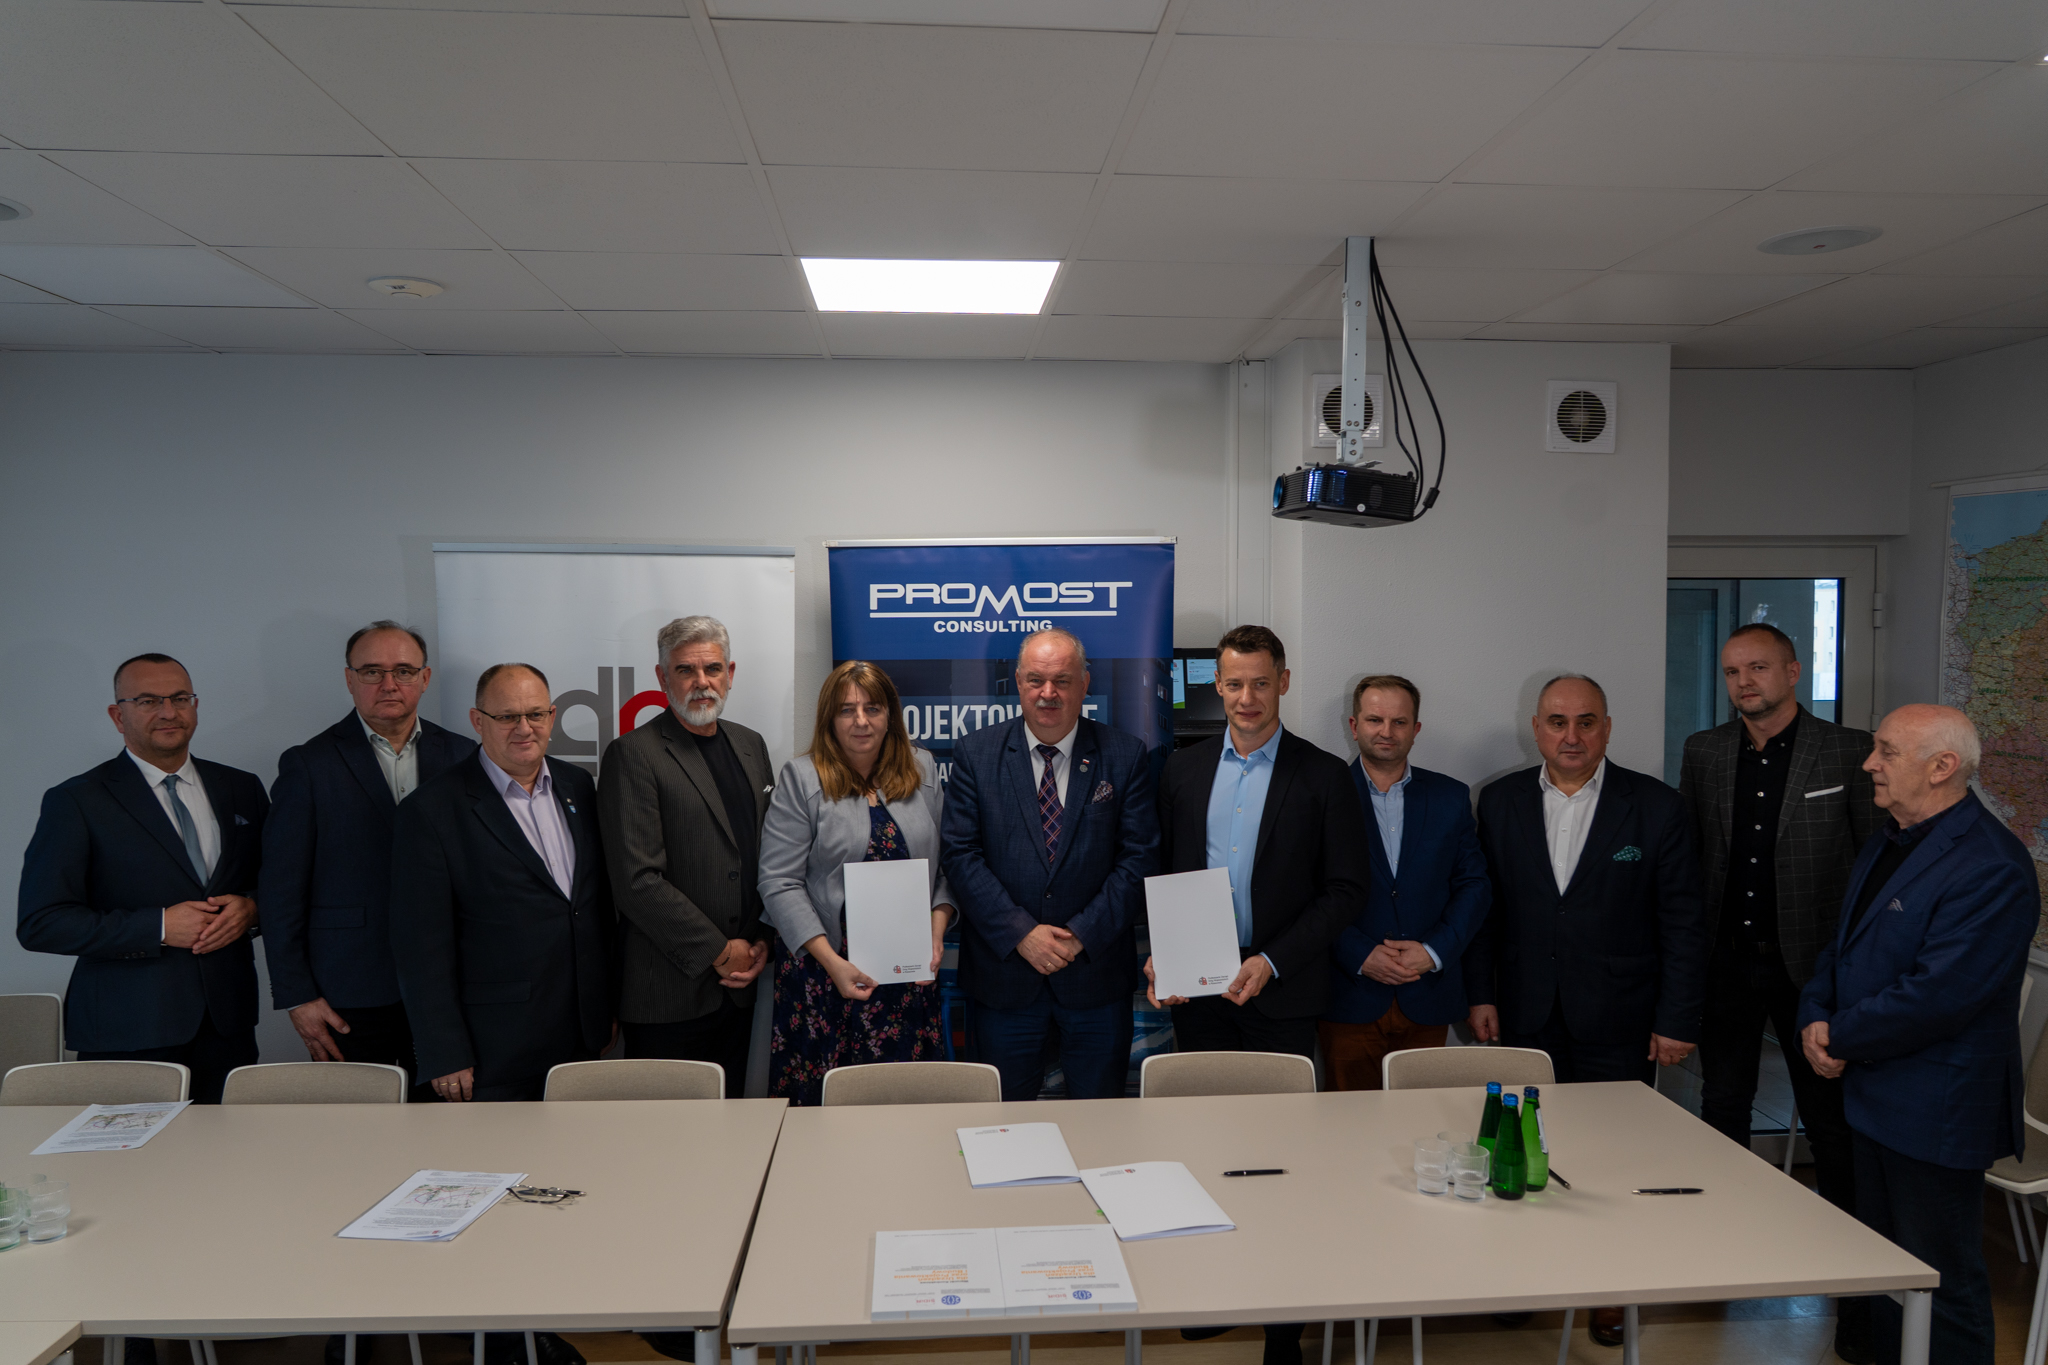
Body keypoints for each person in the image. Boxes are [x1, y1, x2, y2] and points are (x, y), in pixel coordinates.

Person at [1465, 673, 1709, 1349]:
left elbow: (1684, 923)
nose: (1571, 736)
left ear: (1607, 727)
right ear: (1535, 727)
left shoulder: (1656, 807)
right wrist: (1480, 993)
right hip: (1523, 1013)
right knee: (1519, 1152)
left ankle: (1610, 1291)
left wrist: (1678, 1018)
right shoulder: (1500, 800)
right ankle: (1522, 1279)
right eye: (1557, 721)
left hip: (1620, 1017)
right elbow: (1485, 910)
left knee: (1614, 1160)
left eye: (1586, 721)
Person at [1144, 625, 1365, 1365]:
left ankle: (1283, 1328)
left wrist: (1272, 959)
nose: (1246, 697)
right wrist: (1162, 953)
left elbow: (1345, 890)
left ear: (1284, 683)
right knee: (1204, 1151)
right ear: (1217, 685)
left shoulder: (1324, 775)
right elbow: (1167, 872)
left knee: (1278, 1164)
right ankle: (1215, 1292)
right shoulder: (1182, 769)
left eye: (1260, 683)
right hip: (1200, 993)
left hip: (1282, 992)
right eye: (1233, 683)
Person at [1799, 705, 2038, 1365]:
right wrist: (1814, 1011)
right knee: (1882, 1267)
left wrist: (1836, 1034)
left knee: (1938, 1279)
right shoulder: (1891, 837)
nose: (1869, 763)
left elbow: (1937, 998)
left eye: (1887, 751)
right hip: (1872, 1095)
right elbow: (1843, 946)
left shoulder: (1992, 866)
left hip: (1935, 1107)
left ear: (1942, 767)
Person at [390, 662, 609, 1365]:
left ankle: (547, 1316)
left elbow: (585, 908)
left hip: (576, 1030)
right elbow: (419, 944)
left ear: (553, 718)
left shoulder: (576, 786)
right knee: (495, 1195)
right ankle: (505, 1341)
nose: (524, 728)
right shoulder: (433, 810)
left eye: (536, 714)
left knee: (560, 1187)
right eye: (507, 716)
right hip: (490, 1045)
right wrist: (443, 1049)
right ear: (477, 722)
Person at [1679, 623, 1879, 1365]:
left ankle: (1856, 1294)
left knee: (1832, 1128)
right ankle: (1724, 1253)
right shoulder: (1705, 750)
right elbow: (1694, 856)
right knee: (1722, 1110)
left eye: (1758, 667)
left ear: (1793, 671)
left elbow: (1873, 865)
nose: (1745, 682)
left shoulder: (1848, 749)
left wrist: (1852, 974)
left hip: (1816, 972)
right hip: (1728, 965)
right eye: (1733, 670)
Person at [18, 654, 268, 1107]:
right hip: (126, 1029)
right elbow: (41, 922)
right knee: (130, 1154)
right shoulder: (76, 800)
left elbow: (277, 884)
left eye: (180, 698)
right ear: (118, 716)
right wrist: (160, 926)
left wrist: (252, 909)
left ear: (195, 705)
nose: (168, 712)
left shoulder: (242, 787)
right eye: (148, 701)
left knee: (230, 1149)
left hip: (227, 1026)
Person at [942, 627, 1158, 1102]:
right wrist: (1022, 934)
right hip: (1005, 982)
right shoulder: (976, 754)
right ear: (1018, 682)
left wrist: (1080, 934)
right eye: (1036, 680)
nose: (1048, 692)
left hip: (1095, 981)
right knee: (1003, 1125)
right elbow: (960, 855)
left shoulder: (1124, 756)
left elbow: (1139, 858)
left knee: (1099, 1126)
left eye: (1062, 680)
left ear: (1084, 683)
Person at [260, 621, 474, 1087]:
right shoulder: (308, 765)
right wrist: (297, 996)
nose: (389, 684)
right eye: (373, 671)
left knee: (449, 1122)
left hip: (450, 986)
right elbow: (279, 894)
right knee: (360, 1124)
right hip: (348, 993)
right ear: (349, 679)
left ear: (425, 678)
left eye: (404, 671)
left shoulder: (465, 757)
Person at [759, 661, 954, 1106]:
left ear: (890, 715)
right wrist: (833, 964)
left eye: (873, 708)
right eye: (847, 710)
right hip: (824, 976)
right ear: (829, 718)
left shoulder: (922, 768)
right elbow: (778, 882)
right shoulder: (801, 777)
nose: (861, 721)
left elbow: (946, 868)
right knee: (827, 1115)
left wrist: (935, 933)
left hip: (906, 979)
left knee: (905, 1109)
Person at [597, 616, 774, 1099]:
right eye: (685, 670)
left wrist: (761, 939)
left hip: (740, 989)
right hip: (668, 995)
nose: (701, 682)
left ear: (729, 673)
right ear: (662, 677)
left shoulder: (751, 745)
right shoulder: (633, 754)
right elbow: (637, 881)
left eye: (712, 668)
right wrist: (721, 952)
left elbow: (767, 854)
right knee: (666, 1136)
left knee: (730, 1127)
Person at [1319, 674, 1489, 1091]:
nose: (1387, 731)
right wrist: (1360, 954)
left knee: (1422, 1120)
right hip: (1348, 991)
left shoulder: (1450, 797)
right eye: (1375, 720)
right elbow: (1307, 891)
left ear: (1416, 729)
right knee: (1350, 1121)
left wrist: (1433, 951)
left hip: (1427, 990)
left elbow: (1474, 886)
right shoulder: (1320, 794)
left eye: (1399, 722)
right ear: (1354, 725)